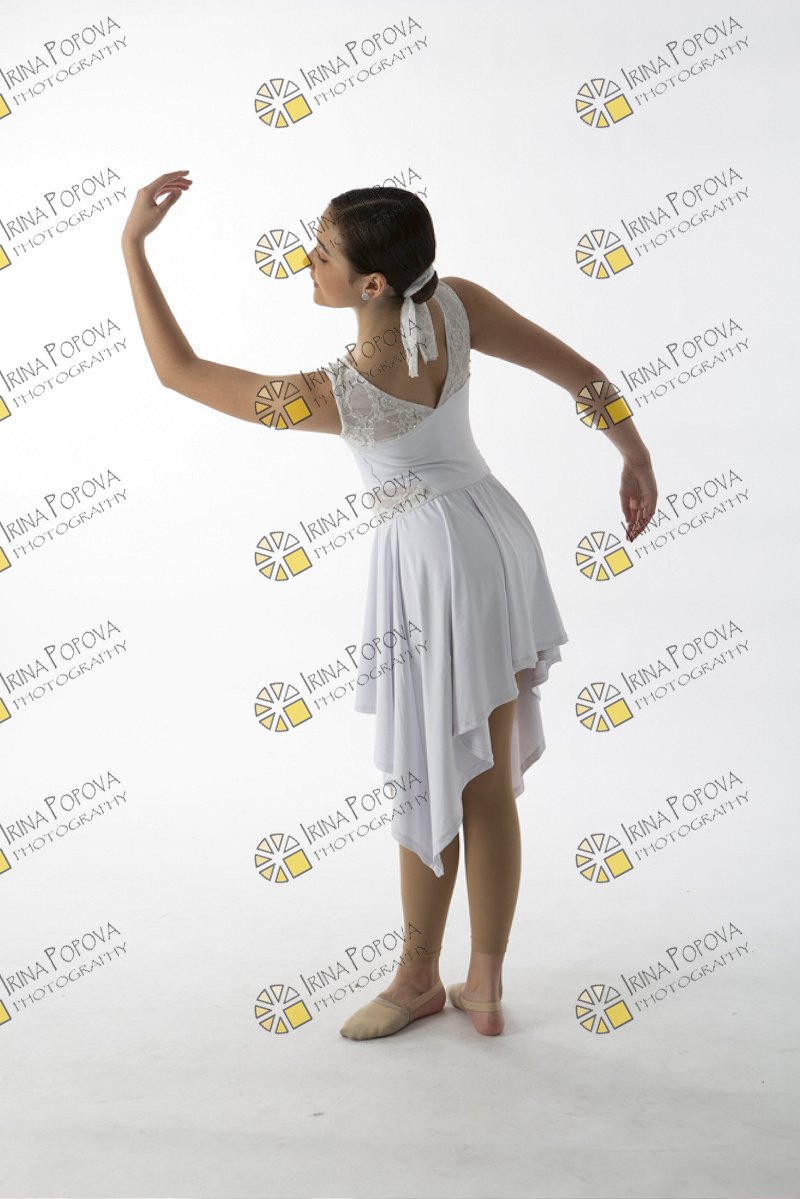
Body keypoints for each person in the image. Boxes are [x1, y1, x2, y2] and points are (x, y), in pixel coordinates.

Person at [122, 170, 658, 1041]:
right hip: (499, 537)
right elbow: (585, 377)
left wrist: (133, 248)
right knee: (485, 779)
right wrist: (635, 454)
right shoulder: (459, 305)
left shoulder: (345, 390)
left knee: (429, 769)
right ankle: (481, 983)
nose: (306, 261)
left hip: (434, 566)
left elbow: (177, 372)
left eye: (321, 253)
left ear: (371, 284)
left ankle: (417, 979)